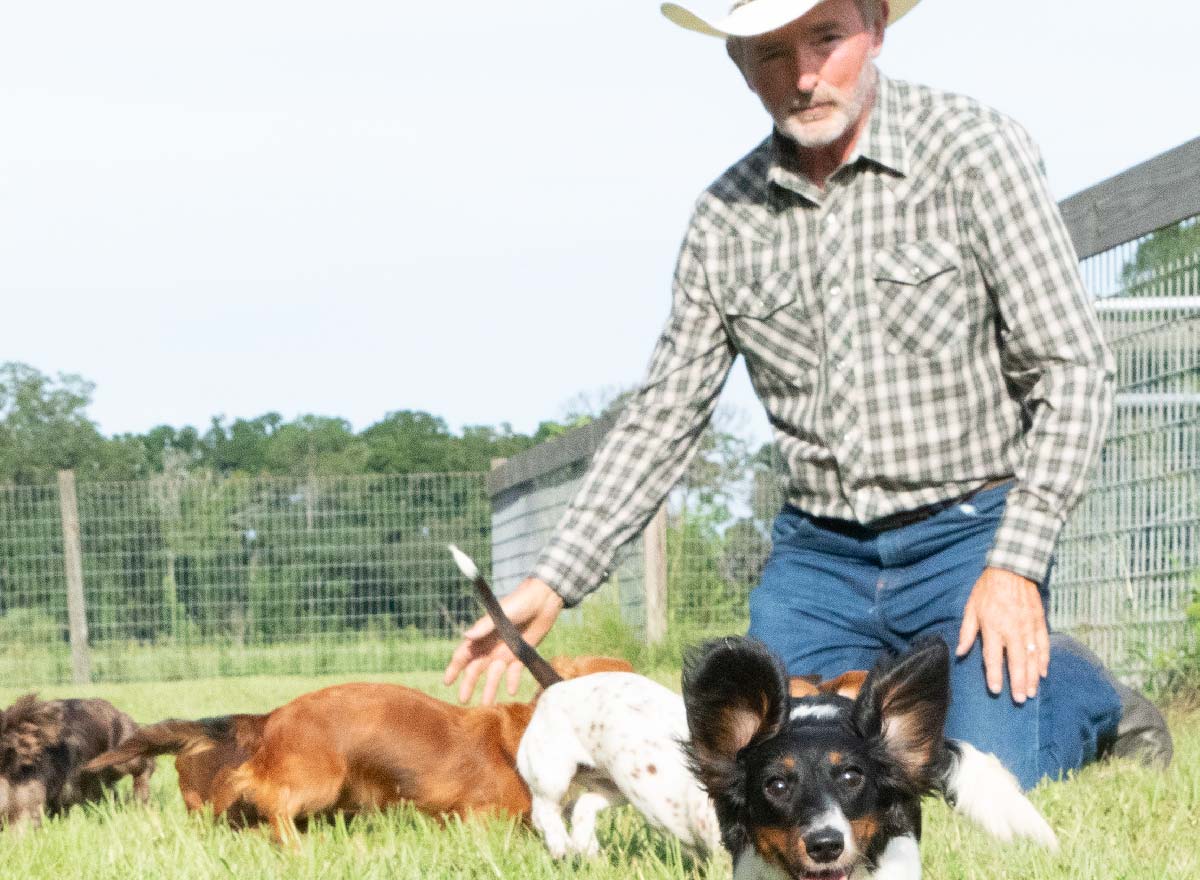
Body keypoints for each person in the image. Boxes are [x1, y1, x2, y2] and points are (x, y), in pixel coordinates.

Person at [444, 0, 1172, 788]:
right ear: (738, 65)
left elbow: (1070, 367)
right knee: (757, 771)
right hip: (820, 558)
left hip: (968, 534)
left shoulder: (974, 151)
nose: (804, 76)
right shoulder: (726, 220)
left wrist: (1016, 565)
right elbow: (665, 414)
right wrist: (554, 578)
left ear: (876, 29)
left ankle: (1084, 692)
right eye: (769, 53)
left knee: (960, 774)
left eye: (827, 38)